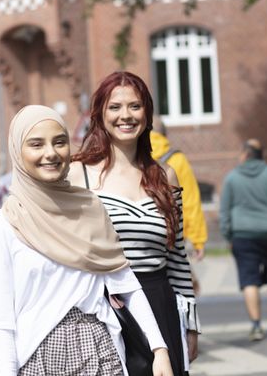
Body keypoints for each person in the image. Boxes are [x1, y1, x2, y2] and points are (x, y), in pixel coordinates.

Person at [0, 105, 173, 376]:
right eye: (36, 144)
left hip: (101, 349)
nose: (50, 153)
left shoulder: (90, 209)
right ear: (17, 151)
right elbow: (0, 321)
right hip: (38, 358)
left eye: (59, 142)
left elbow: (127, 286)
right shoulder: (3, 226)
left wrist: (160, 350)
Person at [68, 71, 201, 376]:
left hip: (160, 304)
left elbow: (177, 256)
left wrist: (191, 324)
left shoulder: (166, 175)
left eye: (134, 106)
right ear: (100, 114)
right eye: (115, 107)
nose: (125, 116)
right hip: (104, 308)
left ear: (147, 113)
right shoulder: (79, 174)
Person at [219, 139, 267, 341]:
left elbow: (224, 211)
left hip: (242, 235)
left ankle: (256, 326)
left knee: (249, 280)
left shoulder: (232, 178)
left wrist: (228, 235)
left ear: (245, 155)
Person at [150, 117, 208, 261]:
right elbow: (190, 200)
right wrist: (198, 239)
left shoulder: (131, 156)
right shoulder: (177, 160)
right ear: (164, 135)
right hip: (172, 233)